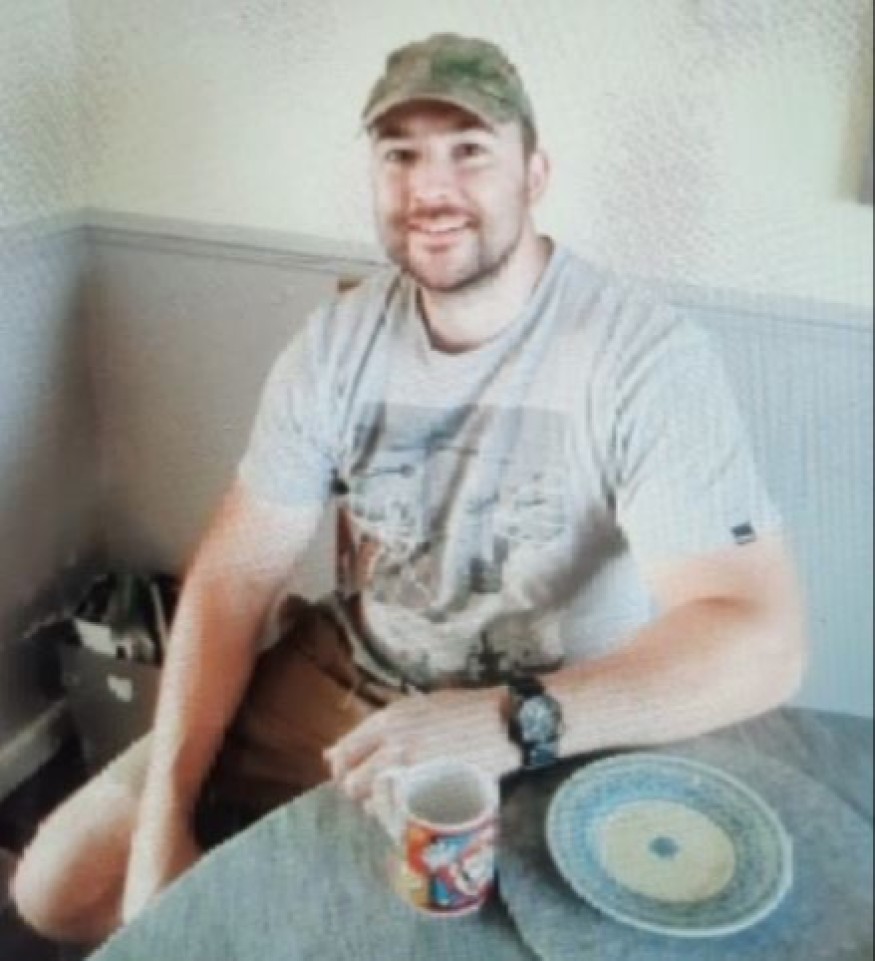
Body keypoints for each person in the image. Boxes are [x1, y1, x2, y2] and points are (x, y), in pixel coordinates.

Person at [9, 32, 807, 946]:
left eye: (469, 151)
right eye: (401, 155)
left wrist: (513, 720)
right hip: (351, 675)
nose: (431, 188)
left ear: (534, 173)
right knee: (57, 887)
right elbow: (235, 576)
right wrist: (163, 826)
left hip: (550, 713)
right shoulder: (335, 344)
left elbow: (760, 639)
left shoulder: (642, 357)